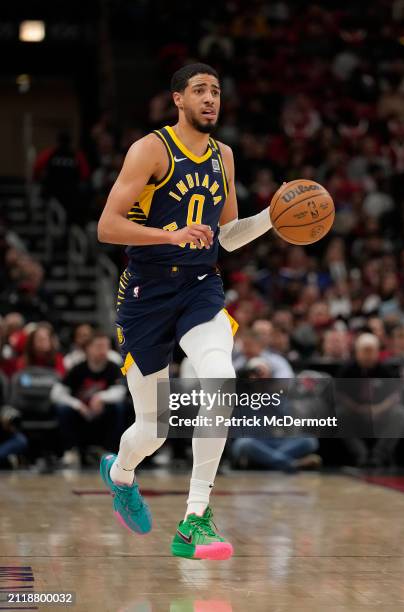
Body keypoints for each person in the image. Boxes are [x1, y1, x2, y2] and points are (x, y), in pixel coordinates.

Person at [97, 63, 280, 561]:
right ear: (177, 99)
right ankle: (120, 473)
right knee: (152, 430)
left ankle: (195, 518)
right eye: (199, 90)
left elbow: (225, 236)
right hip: (146, 295)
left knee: (220, 376)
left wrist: (271, 218)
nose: (210, 99)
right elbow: (107, 227)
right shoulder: (151, 150)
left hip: (201, 287)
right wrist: (168, 235)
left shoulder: (224, 157)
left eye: (216, 91)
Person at [51, 331, 127, 465]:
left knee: (120, 407)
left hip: (102, 413)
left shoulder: (113, 367)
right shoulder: (78, 368)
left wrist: (101, 397)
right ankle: (71, 450)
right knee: (63, 409)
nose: (103, 350)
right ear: (88, 349)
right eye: (99, 346)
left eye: (106, 346)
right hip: (81, 414)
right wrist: (77, 405)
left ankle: (109, 450)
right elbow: (56, 393)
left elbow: (120, 391)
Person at [337, 333, 404, 467]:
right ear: (357, 352)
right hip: (354, 412)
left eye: (372, 351)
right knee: (337, 414)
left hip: (380, 413)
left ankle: (379, 455)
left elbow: (395, 395)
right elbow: (339, 395)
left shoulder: (385, 370)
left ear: (377, 352)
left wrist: (379, 409)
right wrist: (357, 408)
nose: (368, 355)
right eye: (365, 351)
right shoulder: (347, 370)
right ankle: (360, 454)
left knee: (400, 413)